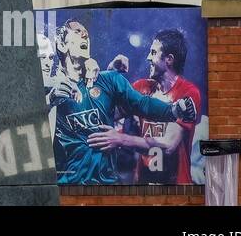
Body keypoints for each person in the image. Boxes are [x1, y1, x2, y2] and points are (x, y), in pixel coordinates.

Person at [48, 21, 196, 185]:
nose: (84, 34)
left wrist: (173, 111)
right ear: (62, 45)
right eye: (76, 31)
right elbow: (107, 110)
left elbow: (144, 107)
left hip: (124, 185)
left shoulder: (110, 80)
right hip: (70, 185)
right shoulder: (53, 90)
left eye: (86, 32)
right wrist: (48, 102)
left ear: (170, 59)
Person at [88, 30, 203, 184]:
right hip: (143, 184)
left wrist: (120, 139)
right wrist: (110, 74)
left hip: (177, 189)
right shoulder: (141, 87)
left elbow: (168, 144)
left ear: (169, 59)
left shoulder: (189, 93)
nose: (148, 57)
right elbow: (106, 114)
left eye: (153, 52)